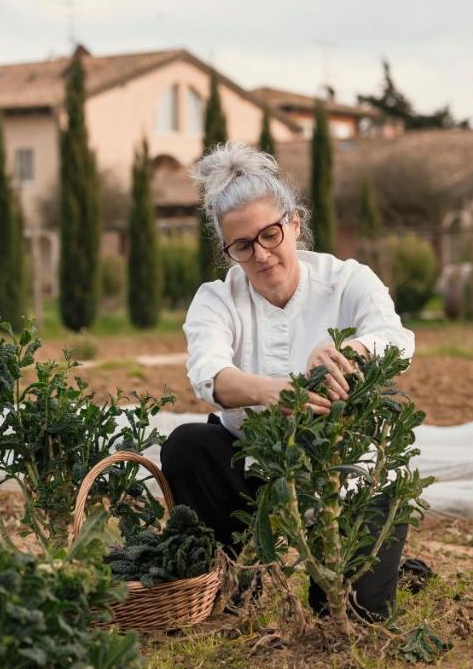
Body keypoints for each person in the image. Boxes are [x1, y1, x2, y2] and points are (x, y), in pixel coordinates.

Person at [161, 141, 416, 619]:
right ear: (228, 251)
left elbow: (397, 339)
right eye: (242, 245)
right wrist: (275, 391)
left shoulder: (346, 279)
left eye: (271, 234)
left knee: (351, 614)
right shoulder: (217, 299)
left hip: (344, 471)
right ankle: (234, 584)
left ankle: (382, 566)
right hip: (254, 461)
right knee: (187, 445)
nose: (261, 254)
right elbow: (208, 376)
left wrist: (350, 351)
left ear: (295, 223)